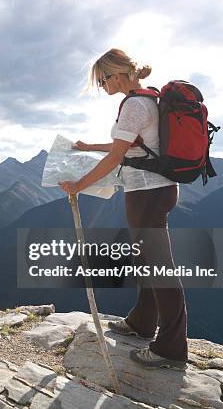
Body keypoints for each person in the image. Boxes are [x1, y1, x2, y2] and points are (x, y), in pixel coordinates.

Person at [58, 48, 188, 370]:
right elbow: (128, 144)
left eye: (103, 80)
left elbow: (116, 156)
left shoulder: (133, 105)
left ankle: (171, 347)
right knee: (147, 261)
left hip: (147, 193)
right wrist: (88, 146)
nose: (103, 86)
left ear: (117, 75)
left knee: (159, 267)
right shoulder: (147, 99)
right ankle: (143, 322)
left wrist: (78, 185)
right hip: (153, 191)